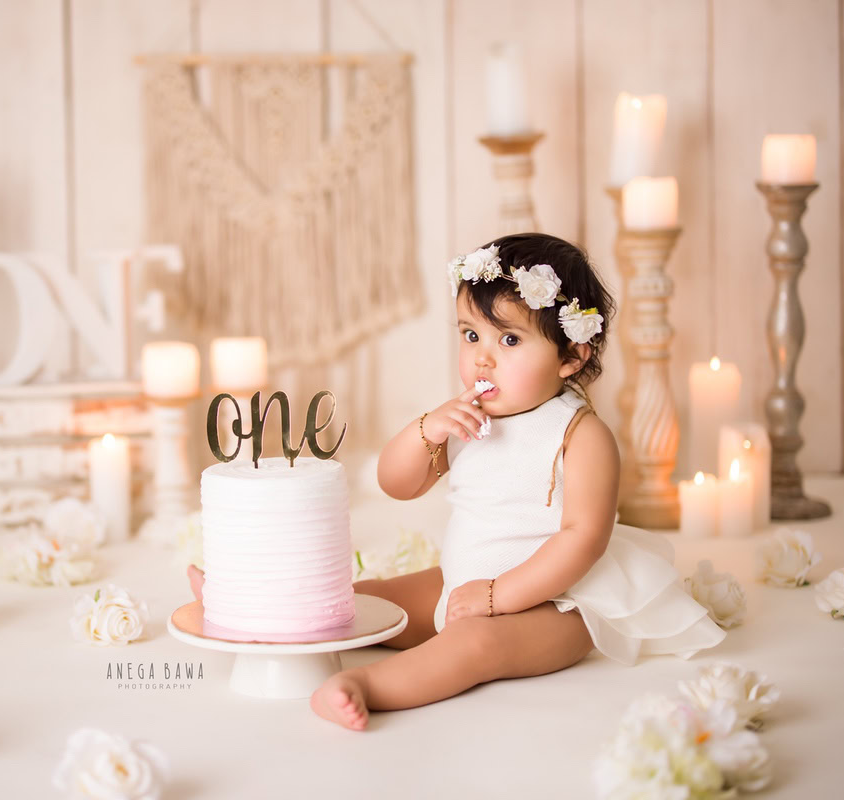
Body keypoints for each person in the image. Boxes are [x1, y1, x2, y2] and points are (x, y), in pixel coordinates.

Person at [189, 233, 725, 731]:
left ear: (571, 356)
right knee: (360, 602)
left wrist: (499, 595)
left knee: (475, 646)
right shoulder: (470, 418)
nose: (482, 357)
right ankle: (250, 610)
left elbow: (583, 540)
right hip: (463, 582)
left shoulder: (580, 435)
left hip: (554, 604)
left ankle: (363, 686)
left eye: (509, 339)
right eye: (471, 335)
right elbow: (395, 484)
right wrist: (427, 429)